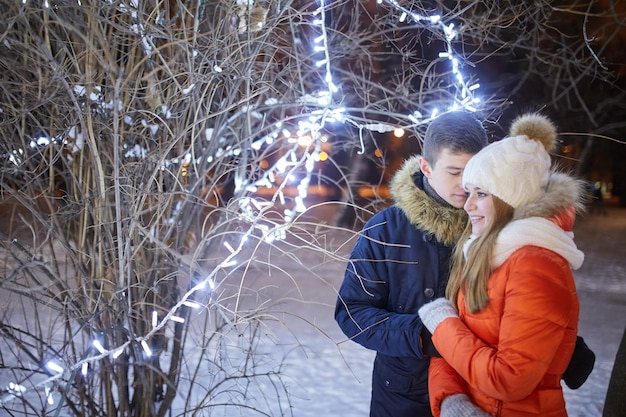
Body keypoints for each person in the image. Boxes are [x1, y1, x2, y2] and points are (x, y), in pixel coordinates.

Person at [418, 113, 586, 417]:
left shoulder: (536, 264)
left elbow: (508, 380)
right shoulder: (487, 252)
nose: (468, 204)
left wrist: (443, 326)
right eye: (470, 193)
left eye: (480, 194)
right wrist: (452, 398)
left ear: (511, 199)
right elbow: (459, 345)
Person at [334, 110, 489, 417]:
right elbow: (352, 312)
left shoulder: (496, 226)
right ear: (426, 167)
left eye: (473, 171)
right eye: (454, 171)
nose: (465, 183)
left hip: (482, 395)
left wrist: (560, 345)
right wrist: (422, 335)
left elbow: (525, 296)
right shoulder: (386, 230)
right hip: (404, 399)